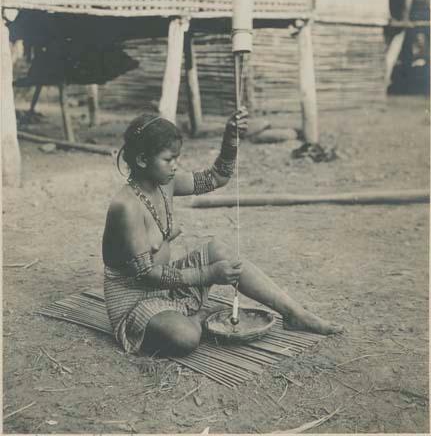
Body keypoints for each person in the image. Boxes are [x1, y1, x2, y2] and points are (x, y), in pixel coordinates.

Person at [103, 110, 342, 357]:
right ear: (142, 160)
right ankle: (198, 317)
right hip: (135, 300)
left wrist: (230, 138)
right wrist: (208, 274)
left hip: (166, 286)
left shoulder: (165, 183)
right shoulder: (126, 207)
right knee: (184, 337)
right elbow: (145, 275)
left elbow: (216, 178)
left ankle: (295, 313)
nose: (176, 166)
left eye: (177, 158)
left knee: (220, 251)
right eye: (168, 160)